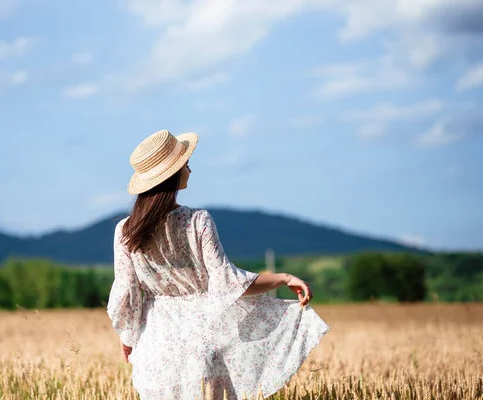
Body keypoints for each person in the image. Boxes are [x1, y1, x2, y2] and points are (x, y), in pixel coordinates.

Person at [107, 129, 330, 399]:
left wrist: (128, 335)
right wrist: (283, 278)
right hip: (201, 342)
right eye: (184, 162)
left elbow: (126, 293)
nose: (189, 166)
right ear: (172, 174)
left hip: (154, 343)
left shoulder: (125, 231)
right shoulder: (198, 221)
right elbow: (229, 283)